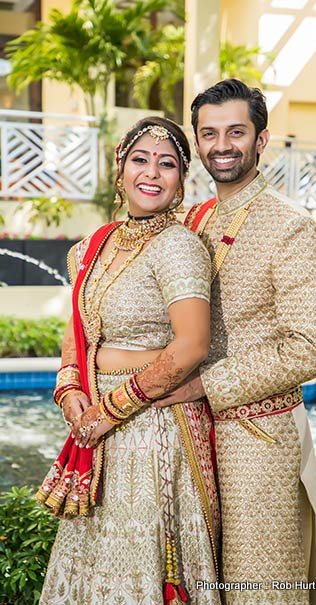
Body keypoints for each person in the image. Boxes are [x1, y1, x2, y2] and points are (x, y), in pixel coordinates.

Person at [155, 79, 316, 605]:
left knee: (259, 589)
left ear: (261, 139)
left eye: (236, 132)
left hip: (258, 441)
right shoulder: (193, 220)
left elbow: (312, 346)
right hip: (187, 438)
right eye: (209, 133)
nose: (222, 145)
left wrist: (202, 386)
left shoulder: (293, 228)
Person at [37, 117, 221, 605]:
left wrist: (111, 409)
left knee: (141, 565)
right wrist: (70, 388)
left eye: (168, 164)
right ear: (120, 170)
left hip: (153, 428)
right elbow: (77, 331)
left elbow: (191, 347)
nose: (152, 173)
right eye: (141, 160)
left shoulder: (179, 247)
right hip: (95, 428)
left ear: (182, 179)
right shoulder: (89, 249)